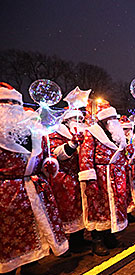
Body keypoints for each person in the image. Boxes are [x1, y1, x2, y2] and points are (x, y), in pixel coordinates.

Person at [0, 83, 68, 275]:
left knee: (33, 228)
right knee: (8, 233)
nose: (11, 107)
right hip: (6, 189)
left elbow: (44, 156)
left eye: (15, 103)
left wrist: (49, 163)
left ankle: (30, 264)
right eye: (6, 102)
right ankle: (6, 273)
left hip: (31, 186)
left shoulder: (33, 132)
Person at [78, 103, 129, 256]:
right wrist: (90, 180)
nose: (114, 120)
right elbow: (85, 157)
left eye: (115, 117)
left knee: (113, 207)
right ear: (103, 120)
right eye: (110, 118)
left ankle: (109, 235)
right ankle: (97, 240)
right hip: (101, 176)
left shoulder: (117, 135)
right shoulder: (91, 133)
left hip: (116, 175)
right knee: (98, 207)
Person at [49, 108, 89, 253]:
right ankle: (62, 246)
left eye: (81, 119)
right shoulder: (55, 133)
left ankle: (78, 240)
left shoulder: (83, 133)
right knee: (64, 211)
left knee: (79, 209)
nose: (79, 122)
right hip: (62, 178)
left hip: (78, 176)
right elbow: (55, 154)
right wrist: (71, 144)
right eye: (76, 119)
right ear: (67, 121)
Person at [120, 115, 135, 221]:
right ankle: (125, 214)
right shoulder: (118, 139)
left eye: (129, 128)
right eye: (124, 129)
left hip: (133, 169)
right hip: (123, 170)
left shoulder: (132, 138)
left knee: (132, 191)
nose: (127, 131)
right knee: (124, 192)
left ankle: (129, 212)